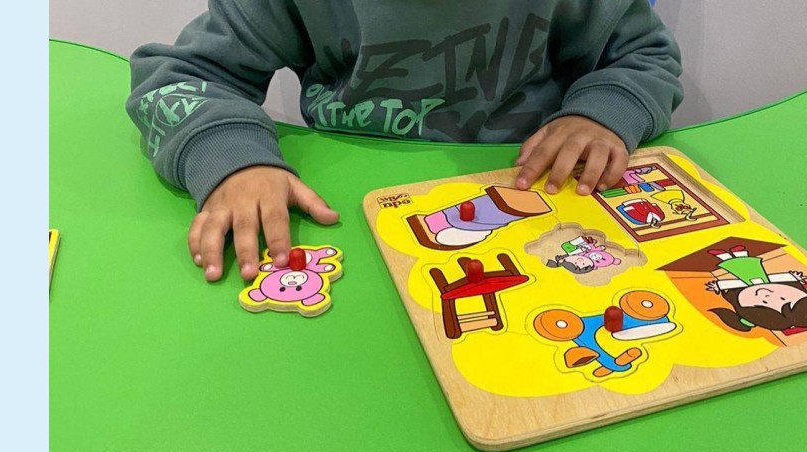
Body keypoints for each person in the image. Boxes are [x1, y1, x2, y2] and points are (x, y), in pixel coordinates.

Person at [127, 1, 683, 281]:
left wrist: (601, 114)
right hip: (346, 220)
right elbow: (181, 78)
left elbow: (644, 55)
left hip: (536, 204)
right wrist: (234, 162)